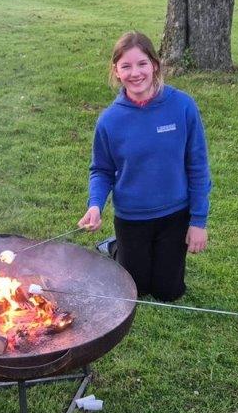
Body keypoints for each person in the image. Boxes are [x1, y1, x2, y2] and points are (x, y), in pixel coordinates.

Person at [78, 31, 211, 301]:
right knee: (136, 291)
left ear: (155, 65)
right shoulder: (109, 120)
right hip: (131, 218)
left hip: (175, 215)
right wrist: (95, 205)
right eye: (125, 66)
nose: (135, 73)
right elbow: (102, 170)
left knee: (168, 292)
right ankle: (117, 246)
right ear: (116, 71)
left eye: (142, 64)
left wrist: (198, 221)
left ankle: (134, 252)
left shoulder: (182, 106)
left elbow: (197, 165)